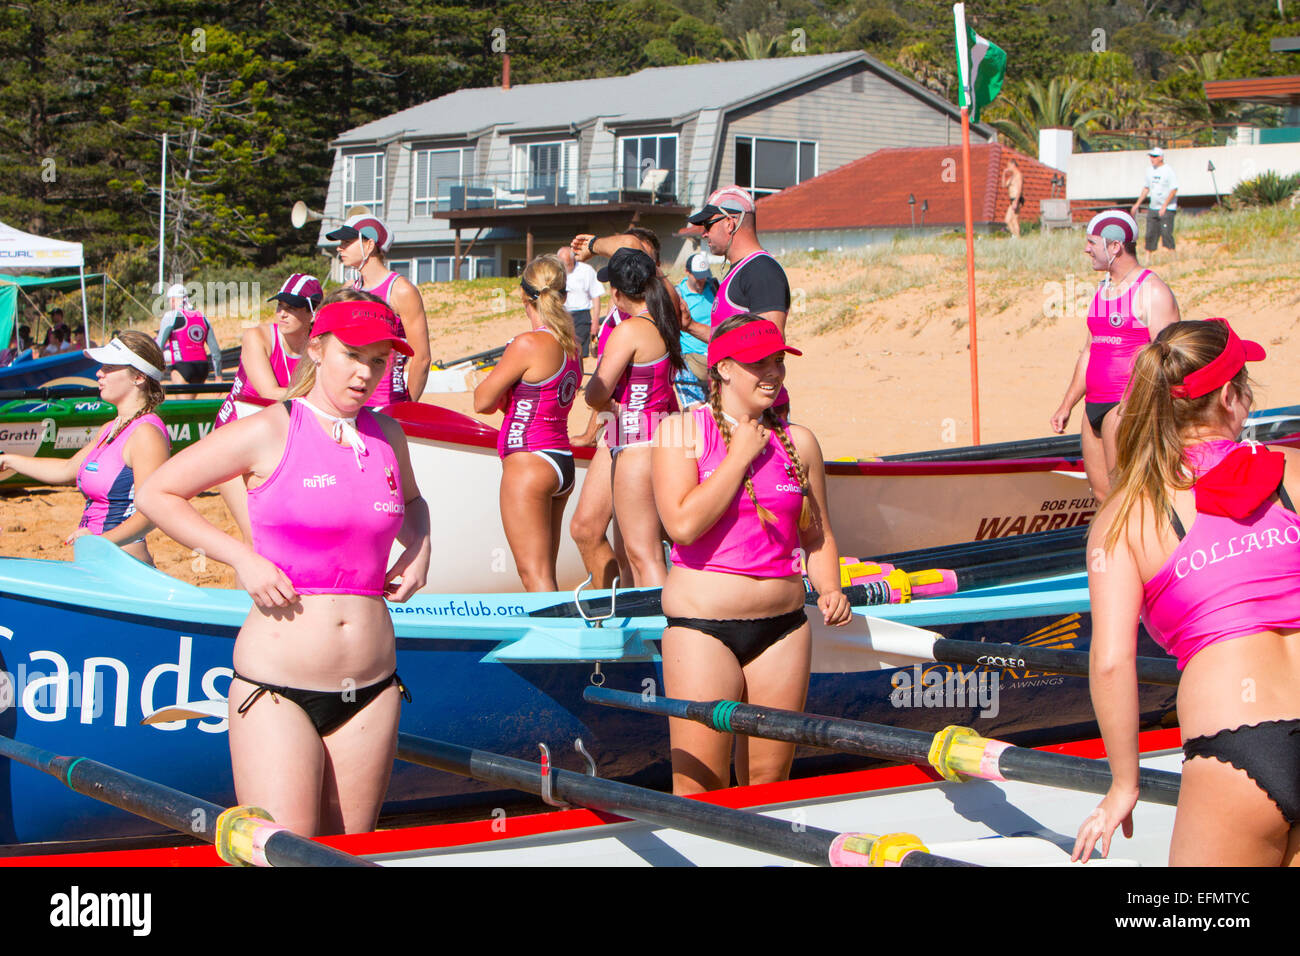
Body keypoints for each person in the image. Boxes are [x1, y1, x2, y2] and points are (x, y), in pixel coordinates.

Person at [138, 299, 431, 837]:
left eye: (379, 360)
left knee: (348, 854)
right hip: (276, 690)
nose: (365, 372)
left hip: (372, 687)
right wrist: (241, 558)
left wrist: (420, 549)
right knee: (289, 854)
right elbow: (157, 490)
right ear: (316, 350)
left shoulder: (387, 436)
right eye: (351, 355)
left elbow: (414, 504)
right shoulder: (270, 429)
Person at [1072, 318, 1300, 866]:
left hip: (1240, 742)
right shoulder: (1291, 471)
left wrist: (1124, 784)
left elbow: (1110, 662)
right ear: (1230, 397)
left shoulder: (1127, 515)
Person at [653, 314, 850, 794]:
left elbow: (817, 534)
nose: (773, 372)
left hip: (783, 630)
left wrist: (830, 587)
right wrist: (739, 454)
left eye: (778, 361)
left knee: (768, 783)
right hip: (702, 631)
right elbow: (682, 525)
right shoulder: (679, 432)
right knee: (701, 787)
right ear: (721, 369)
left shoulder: (799, 441)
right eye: (758, 362)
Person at [0, 331, 171, 565]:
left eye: (110, 367)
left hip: (123, 562)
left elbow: (153, 513)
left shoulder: (146, 434)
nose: (99, 373)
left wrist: (101, 541)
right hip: (98, 554)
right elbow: (67, 470)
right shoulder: (109, 428)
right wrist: (8, 460)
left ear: (139, 377)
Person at [1050, 210, 1180, 500]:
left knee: (1129, 496)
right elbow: (1089, 351)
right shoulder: (1103, 290)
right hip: (1093, 406)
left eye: (1092, 242)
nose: (1086, 249)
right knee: (1102, 496)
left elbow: (1169, 361)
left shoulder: (1152, 291)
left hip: (1127, 406)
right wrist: (1067, 404)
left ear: (1115, 246)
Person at [473, 256, 582, 591]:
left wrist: (488, 380)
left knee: (534, 576)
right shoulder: (571, 346)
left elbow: (482, 401)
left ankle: (557, 644)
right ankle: (562, 637)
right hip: (561, 461)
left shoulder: (528, 343)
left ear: (524, 295)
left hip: (529, 459)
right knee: (545, 573)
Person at [584, 247, 682, 587]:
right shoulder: (664, 322)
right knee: (640, 551)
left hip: (635, 441)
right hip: (663, 437)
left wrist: (609, 408)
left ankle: (664, 631)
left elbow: (595, 393)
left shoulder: (630, 330)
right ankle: (653, 626)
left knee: (643, 553)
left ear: (616, 292)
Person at [213, 273, 323, 541]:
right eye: (280, 305)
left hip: (277, 441)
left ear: (312, 314)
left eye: (292, 307)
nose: (282, 313)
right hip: (232, 436)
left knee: (287, 534)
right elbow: (269, 393)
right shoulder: (258, 336)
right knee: (256, 537)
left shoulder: (319, 344)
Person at [326, 213, 431, 404]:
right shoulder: (349, 288)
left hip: (387, 402)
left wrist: (407, 407)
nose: (339, 247)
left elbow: (422, 358)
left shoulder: (401, 290)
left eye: (347, 241)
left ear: (369, 244)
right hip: (350, 400)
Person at [156, 283, 222, 398]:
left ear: (172, 300)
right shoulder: (202, 317)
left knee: (181, 410)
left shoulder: (171, 316)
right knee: (190, 406)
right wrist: (218, 377)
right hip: (202, 368)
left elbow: (157, 347)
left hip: (183, 366)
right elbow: (216, 351)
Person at [674, 252, 717, 407]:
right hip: (689, 359)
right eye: (697, 277)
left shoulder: (713, 288)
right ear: (687, 272)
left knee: (715, 410)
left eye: (704, 276)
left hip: (713, 359)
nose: (701, 281)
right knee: (696, 411)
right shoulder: (678, 294)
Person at [557, 246, 603, 361]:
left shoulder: (586, 271)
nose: (566, 267)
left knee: (578, 353)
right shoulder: (555, 272)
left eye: (568, 264)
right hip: (562, 314)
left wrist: (595, 321)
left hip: (581, 315)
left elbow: (596, 296)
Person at [1131, 147, 1178, 255]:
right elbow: (1146, 188)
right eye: (1151, 156)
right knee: (1150, 233)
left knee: (1166, 233)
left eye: (1155, 156)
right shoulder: (1149, 170)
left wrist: (1164, 206)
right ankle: (1148, 257)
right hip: (1153, 207)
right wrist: (1137, 204)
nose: (1152, 159)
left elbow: (1174, 189)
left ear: (1161, 157)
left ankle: (1173, 256)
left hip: (1167, 208)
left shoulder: (1168, 170)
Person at [1002, 158, 1024, 238]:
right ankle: (1016, 236)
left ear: (1013, 165)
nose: (1008, 167)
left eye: (1009, 166)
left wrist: (1016, 201)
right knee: (1013, 219)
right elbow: (1004, 185)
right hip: (1012, 199)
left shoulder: (1018, 175)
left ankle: (1016, 236)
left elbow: (1019, 189)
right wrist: (1004, 174)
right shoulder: (1012, 177)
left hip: (1016, 199)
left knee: (1009, 219)